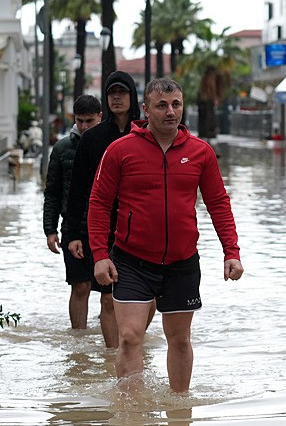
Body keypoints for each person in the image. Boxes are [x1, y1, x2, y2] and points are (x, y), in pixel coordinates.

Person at [88, 77, 243, 393]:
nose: (171, 112)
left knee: (180, 339)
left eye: (176, 104)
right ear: (145, 109)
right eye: (162, 105)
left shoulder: (201, 153)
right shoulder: (120, 150)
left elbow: (218, 203)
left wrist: (232, 251)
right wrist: (100, 255)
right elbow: (99, 203)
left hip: (181, 262)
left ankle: (179, 410)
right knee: (130, 336)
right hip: (131, 261)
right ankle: (132, 413)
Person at [65, 70, 144, 348]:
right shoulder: (93, 139)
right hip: (102, 226)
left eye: (122, 92)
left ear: (132, 96)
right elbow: (77, 191)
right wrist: (72, 234)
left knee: (147, 298)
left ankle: (134, 344)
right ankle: (115, 357)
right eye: (112, 93)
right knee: (108, 296)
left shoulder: (147, 134)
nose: (117, 98)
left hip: (141, 227)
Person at [43, 95, 103, 331]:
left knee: (110, 291)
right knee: (80, 286)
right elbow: (52, 192)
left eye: (90, 120)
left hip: (106, 226)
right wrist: (50, 230)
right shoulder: (62, 149)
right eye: (80, 121)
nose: (85, 126)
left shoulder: (112, 145)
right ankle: (78, 341)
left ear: (100, 117)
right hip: (73, 226)